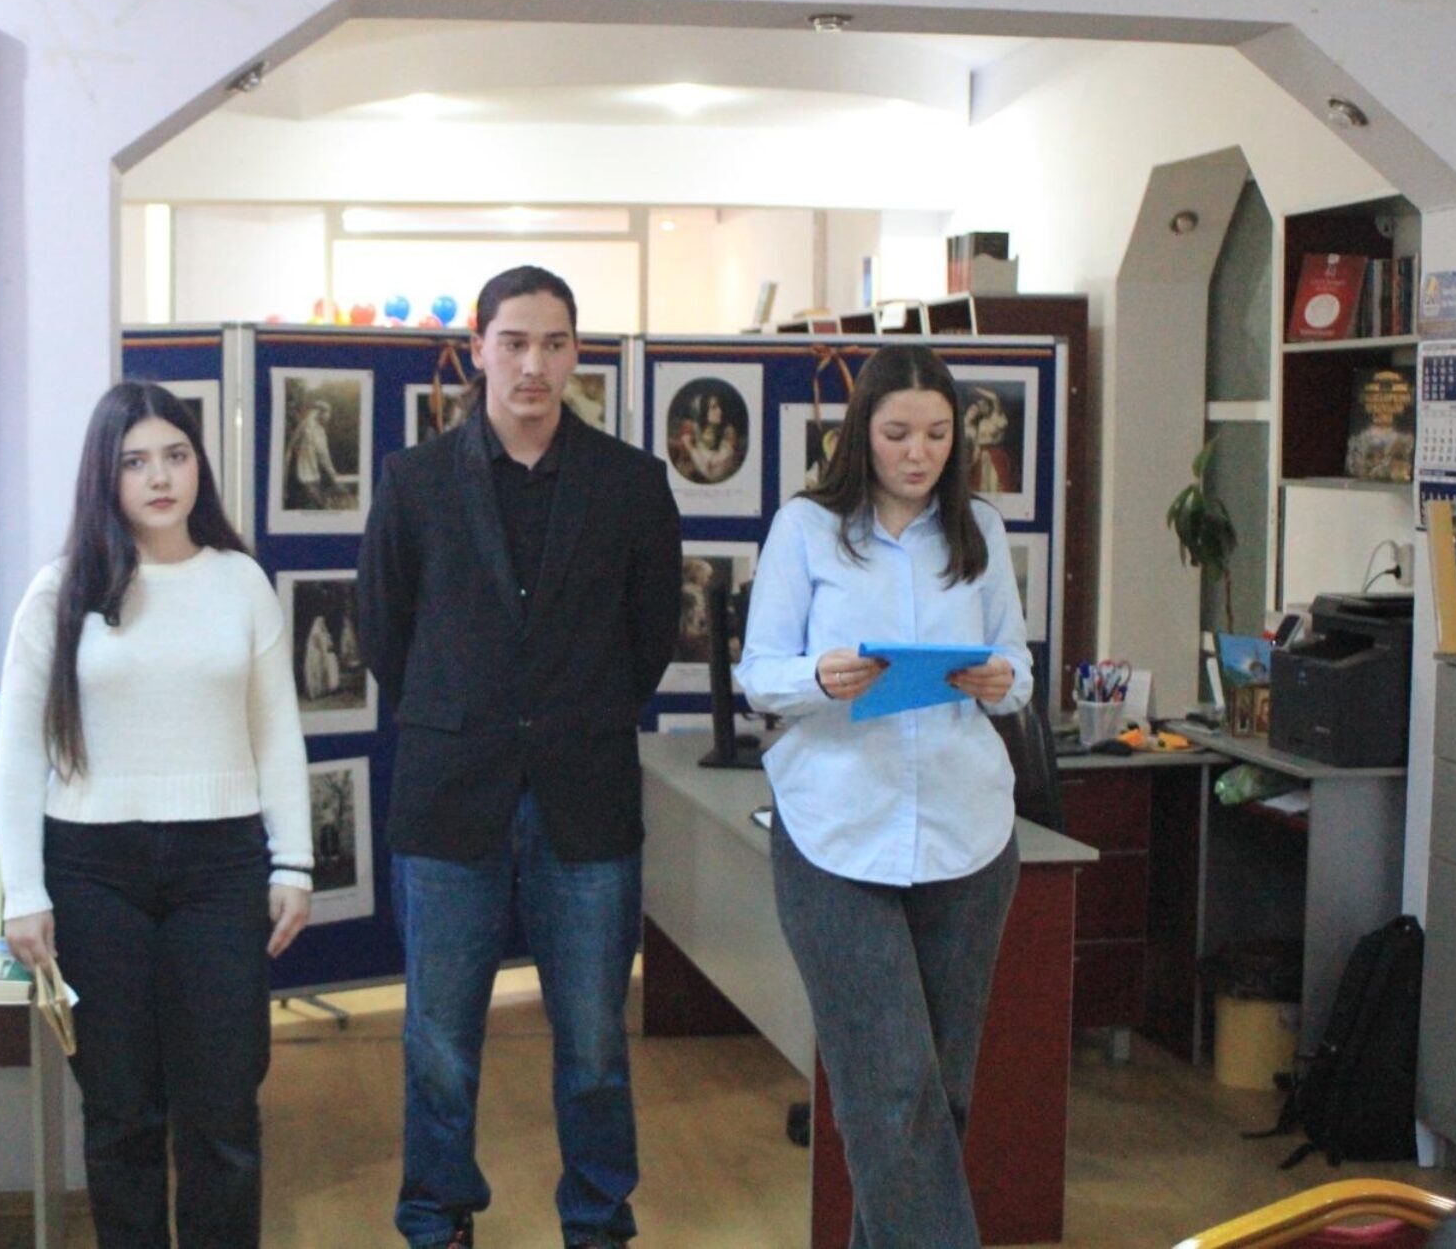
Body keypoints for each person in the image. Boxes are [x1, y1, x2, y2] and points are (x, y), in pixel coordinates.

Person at [359, 265, 682, 1249]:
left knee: (593, 1042)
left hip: (584, 796)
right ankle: (436, 1218)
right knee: (439, 1040)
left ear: (577, 353)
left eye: (553, 343)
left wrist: (573, 713)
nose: (533, 364)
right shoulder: (415, 481)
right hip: (450, 792)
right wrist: (463, 713)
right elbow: (383, 630)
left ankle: (597, 1220)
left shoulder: (631, 483)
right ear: (478, 350)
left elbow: (651, 636)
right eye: (513, 342)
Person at [0, 381, 313, 1249]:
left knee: (223, 1112)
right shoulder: (60, 591)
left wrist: (294, 861)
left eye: (176, 455)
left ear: (198, 464)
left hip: (221, 869)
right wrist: (23, 890)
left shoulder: (240, 582)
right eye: (135, 461)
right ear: (106, 475)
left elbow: (276, 731)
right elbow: (18, 752)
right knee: (121, 1114)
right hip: (93, 872)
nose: (160, 477)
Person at [734, 343, 1032, 1249]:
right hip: (836, 832)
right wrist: (820, 676)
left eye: (937, 434)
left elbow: (1017, 667)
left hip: (966, 833)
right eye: (899, 433)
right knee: (891, 1091)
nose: (919, 453)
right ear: (861, 431)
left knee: (938, 1094)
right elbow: (759, 674)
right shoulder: (806, 528)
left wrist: (1000, 681)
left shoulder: (979, 530)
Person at [284, 398, 340, 509]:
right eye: (328, 413)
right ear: (320, 413)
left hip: (305, 471)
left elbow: (293, 445)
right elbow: (323, 456)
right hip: (304, 472)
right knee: (314, 503)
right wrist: (333, 474)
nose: (329, 416)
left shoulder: (308, 425)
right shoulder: (312, 428)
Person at [963, 385, 1018, 494]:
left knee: (996, 483)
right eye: (980, 406)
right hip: (981, 456)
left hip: (996, 455)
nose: (982, 407)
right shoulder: (980, 422)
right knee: (981, 484)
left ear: (989, 405)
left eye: (984, 404)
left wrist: (977, 389)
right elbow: (976, 442)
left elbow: (994, 397)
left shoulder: (996, 417)